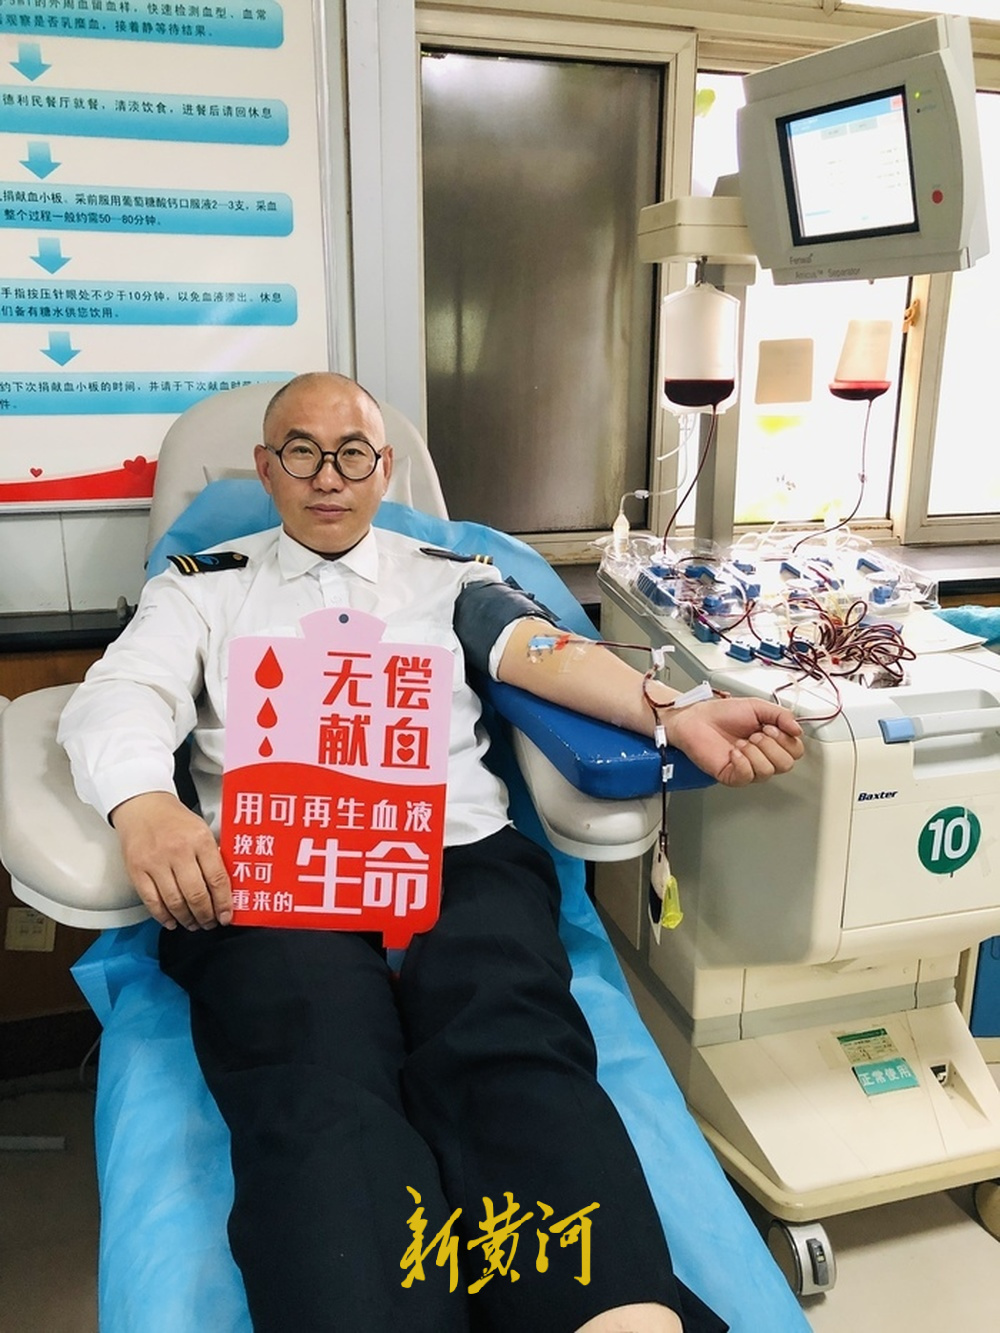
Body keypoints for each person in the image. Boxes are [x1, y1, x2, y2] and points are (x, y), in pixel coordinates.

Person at [59, 372, 804, 1333]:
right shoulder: (203, 587)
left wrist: (677, 711)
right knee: (316, 1070)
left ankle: (607, 1311)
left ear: (385, 470)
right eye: (302, 452)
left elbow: (541, 652)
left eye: (353, 454)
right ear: (266, 468)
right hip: (280, 875)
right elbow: (122, 694)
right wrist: (145, 804)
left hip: (455, 857)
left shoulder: (447, 574)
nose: (329, 476)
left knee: (511, 1039)